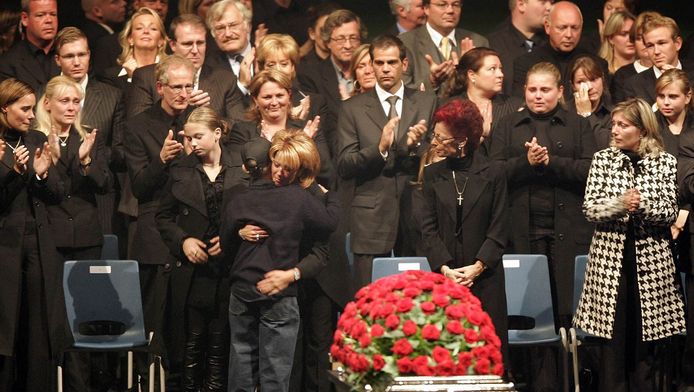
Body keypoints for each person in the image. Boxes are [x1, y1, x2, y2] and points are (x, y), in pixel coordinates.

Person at [490, 61, 596, 391]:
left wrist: (552, 162)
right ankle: (530, 383)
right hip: (522, 230)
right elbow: (492, 174)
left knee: (566, 312)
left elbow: (592, 170)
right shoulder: (508, 124)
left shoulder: (577, 125)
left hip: (567, 230)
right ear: (524, 91)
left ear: (560, 92)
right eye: (532, 89)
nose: (538, 96)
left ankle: (567, 383)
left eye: (545, 89)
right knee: (528, 311)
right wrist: (526, 163)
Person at [574, 97, 686, 390]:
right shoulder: (602, 160)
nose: (615, 130)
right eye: (614, 124)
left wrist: (643, 204)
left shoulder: (665, 162)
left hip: (652, 265)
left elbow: (669, 211)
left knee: (645, 338)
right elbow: (590, 209)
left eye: (623, 125)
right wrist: (619, 204)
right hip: (611, 263)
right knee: (612, 339)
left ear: (642, 129)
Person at [221, 131, 340, 392]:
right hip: (261, 291)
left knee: (262, 371)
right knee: (260, 373)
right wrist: (239, 232)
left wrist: (291, 274)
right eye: (277, 165)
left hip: (285, 286)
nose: (280, 174)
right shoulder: (286, 197)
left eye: (289, 169)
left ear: (302, 170)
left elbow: (322, 250)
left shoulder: (307, 197)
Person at [336, 34, 436, 289]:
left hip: (415, 213)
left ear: (404, 64)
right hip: (371, 218)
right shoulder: (352, 108)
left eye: (391, 62)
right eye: (378, 63)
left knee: (417, 303)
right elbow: (345, 164)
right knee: (368, 302)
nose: (385, 69)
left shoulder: (426, 101)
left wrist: (416, 148)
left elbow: (436, 156)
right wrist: (379, 149)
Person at [415, 98, 509, 366]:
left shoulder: (494, 173)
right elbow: (428, 229)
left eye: (441, 139)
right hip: (446, 278)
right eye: (435, 136)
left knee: (487, 356)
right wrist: (444, 268)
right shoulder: (433, 174)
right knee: (447, 355)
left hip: (486, 278)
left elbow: (500, 227)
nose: (434, 143)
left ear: (462, 142)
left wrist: (478, 267)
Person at [156, 107, 244, 392]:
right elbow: (163, 217)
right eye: (189, 138)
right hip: (193, 271)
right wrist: (183, 241)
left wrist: (231, 238)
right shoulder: (180, 171)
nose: (191, 143)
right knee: (191, 339)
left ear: (217, 134)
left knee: (221, 339)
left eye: (198, 137)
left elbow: (253, 215)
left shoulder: (240, 169)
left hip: (228, 269)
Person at [124, 55, 194, 373]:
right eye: (176, 87)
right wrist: (162, 159)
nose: (183, 93)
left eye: (188, 86)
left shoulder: (200, 121)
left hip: (194, 231)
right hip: (154, 237)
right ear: (160, 87)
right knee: (154, 324)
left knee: (188, 324)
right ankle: (147, 379)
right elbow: (139, 187)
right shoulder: (138, 126)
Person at [0, 78, 65, 392]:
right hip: (5, 245)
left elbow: (57, 194)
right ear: (4, 108)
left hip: (37, 242)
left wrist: (40, 175)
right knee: (6, 328)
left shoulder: (37, 138)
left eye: (31, 107)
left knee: (37, 327)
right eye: (24, 108)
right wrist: (12, 172)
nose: (31, 114)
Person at [127, 13, 246, 125]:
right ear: (173, 45)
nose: (195, 50)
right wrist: (183, 109)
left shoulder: (225, 80)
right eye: (188, 44)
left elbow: (239, 127)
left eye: (200, 43)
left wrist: (208, 117)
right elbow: (137, 126)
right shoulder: (146, 77)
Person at [227, 69, 333, 186]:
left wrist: (304, 146)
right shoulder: (242, 131)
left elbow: (326, 173)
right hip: (258, 198)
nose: (274, 102)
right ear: (255, 100)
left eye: (279, 95)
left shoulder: (306, 130)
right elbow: (236, 175)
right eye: (267, 97)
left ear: (289, 96)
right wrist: (264, 146)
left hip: (300, 198)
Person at [511, 1, 609, 101]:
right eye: (562, 28)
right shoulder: (526, 63)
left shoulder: (598, 65)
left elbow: (606, 107)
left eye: (575, 28)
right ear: (547, 27)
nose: (569, 35)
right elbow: (518, 106)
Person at [443, 47, 522, 155]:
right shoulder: (450, 107)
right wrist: (480, 137)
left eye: (500, 69)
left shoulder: (514, 106)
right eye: (492, 69)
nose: (501, 75)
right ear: (472, 75)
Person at [399, 0, 489, 93]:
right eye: (442, 5)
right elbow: (401, 92)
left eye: (456, 5)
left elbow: (490, 88)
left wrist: (466, 69)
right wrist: (431, 82)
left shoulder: (478, 42)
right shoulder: (405, 43)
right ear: (426, 8)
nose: (450, 10)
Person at [297, 9, 367, 118]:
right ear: (328, 42)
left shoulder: (372, 71)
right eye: (340, 39)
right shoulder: (311, 76)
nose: (348, 45)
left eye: (353, 38)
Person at [622, 15, 694, 105]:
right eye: (650, 46)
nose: (656, 51)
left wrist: (679, 81)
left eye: (661, 43)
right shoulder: (634, 85)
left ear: (677, 44)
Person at [488, 0, 552, 95]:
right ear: (521, 5)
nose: (549, 7)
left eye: (551, 2)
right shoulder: (492, 45)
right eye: (543, 2)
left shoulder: (554, 43)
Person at [99, 7, 168, 89]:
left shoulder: (171, 72)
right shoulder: (111, 76)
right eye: (139, 28)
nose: (146, 31)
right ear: (130, 38)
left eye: (153, 29)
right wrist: (132, 78)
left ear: (161, 40)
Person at [0, 0, 60, 91]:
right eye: (40, 15)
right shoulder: (8, 63)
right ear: (25, 19)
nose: (49, 20)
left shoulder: (71, 53)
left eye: (53, 14)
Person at [610, 11, 659, 101]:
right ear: (634, 41)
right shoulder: (622, 76)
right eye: (639, 38)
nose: (645, 43)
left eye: (650, 37)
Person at [570, 56, 614, 149]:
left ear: (602, 79)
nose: (589, 86)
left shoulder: (613, 114)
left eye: (593, 79)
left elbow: (605, 145)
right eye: (581, 81)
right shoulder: (564, 111)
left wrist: (587, 114)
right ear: (573, 86)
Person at [598, 10, 636, 75]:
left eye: (633, 34)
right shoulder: (601, 71)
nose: (630, 39)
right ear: (610, 38)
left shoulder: (647, 69)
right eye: (623, 34)